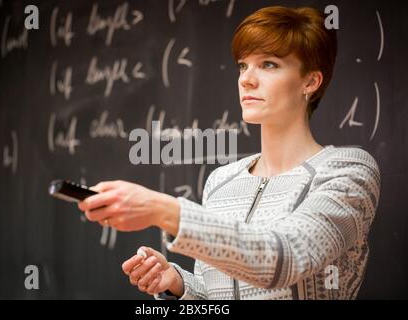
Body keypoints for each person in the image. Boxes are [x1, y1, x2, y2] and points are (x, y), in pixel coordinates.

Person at [78, 6, 381, 300]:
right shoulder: (221, 181)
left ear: (310, 82)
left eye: (269, 64)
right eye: (243, 65)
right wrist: (178, 284)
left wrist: (162, 210)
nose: (246, 79)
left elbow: (286, 257)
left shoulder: (348, 172)